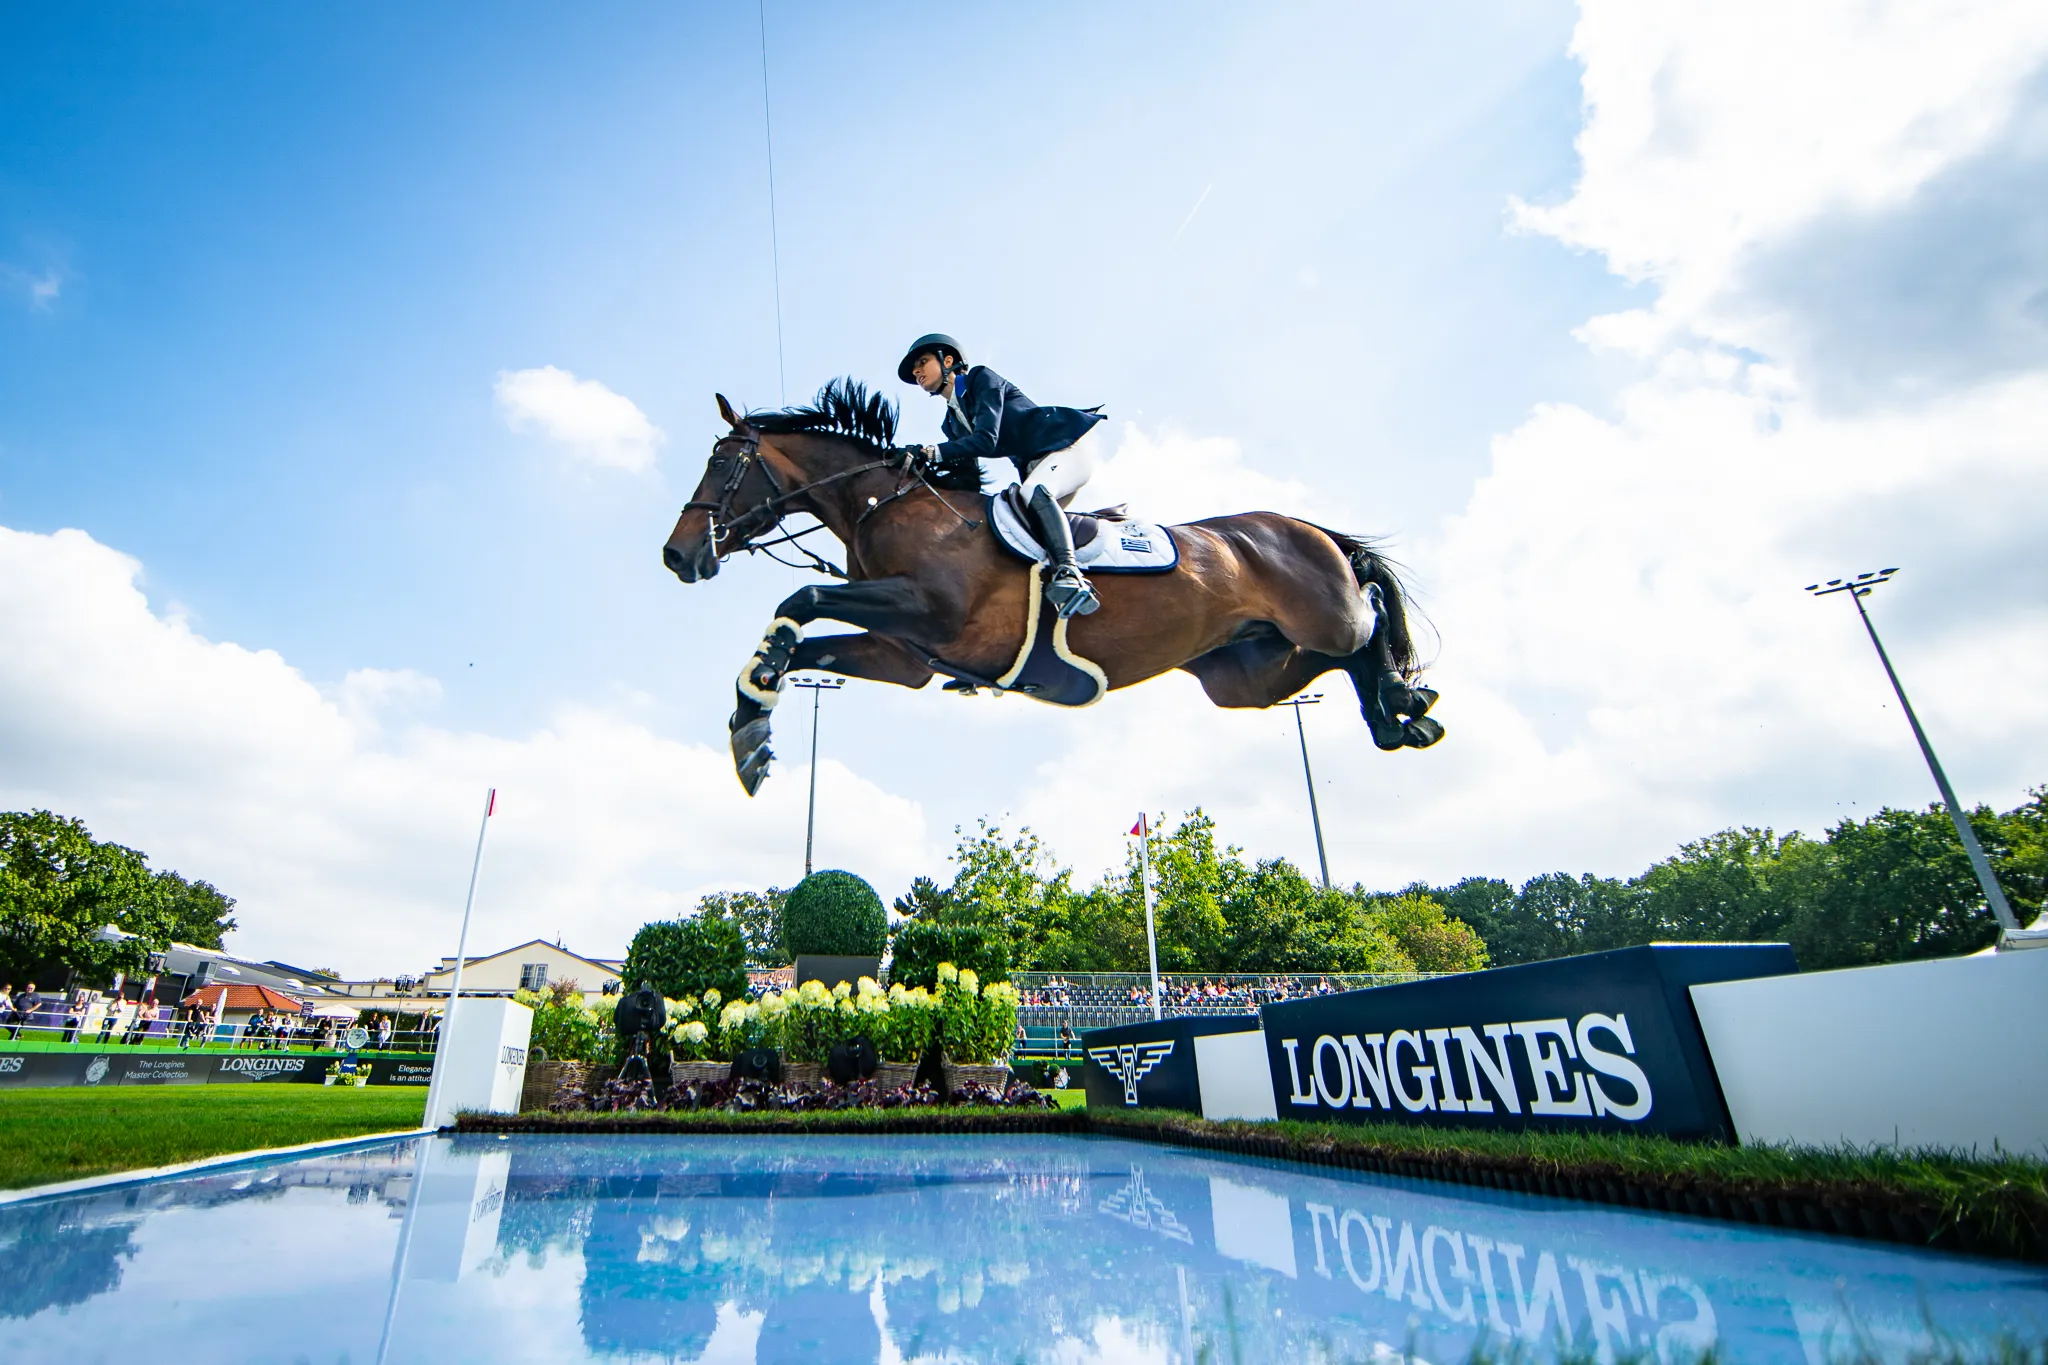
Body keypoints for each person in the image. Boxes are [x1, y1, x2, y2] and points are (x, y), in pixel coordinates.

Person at [897, 333, 1107, 618]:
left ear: (948, 361)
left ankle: (1070, 574)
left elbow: (986, 440)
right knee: (1015, 529)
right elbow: (968, 484)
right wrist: (917, 472)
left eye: (922, 362)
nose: (917, 371)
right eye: (914, 369)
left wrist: (931, 452)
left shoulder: (980, 379)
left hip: (1065, 449)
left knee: (1031, 493)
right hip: (1037, 470)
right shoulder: (951, 426)